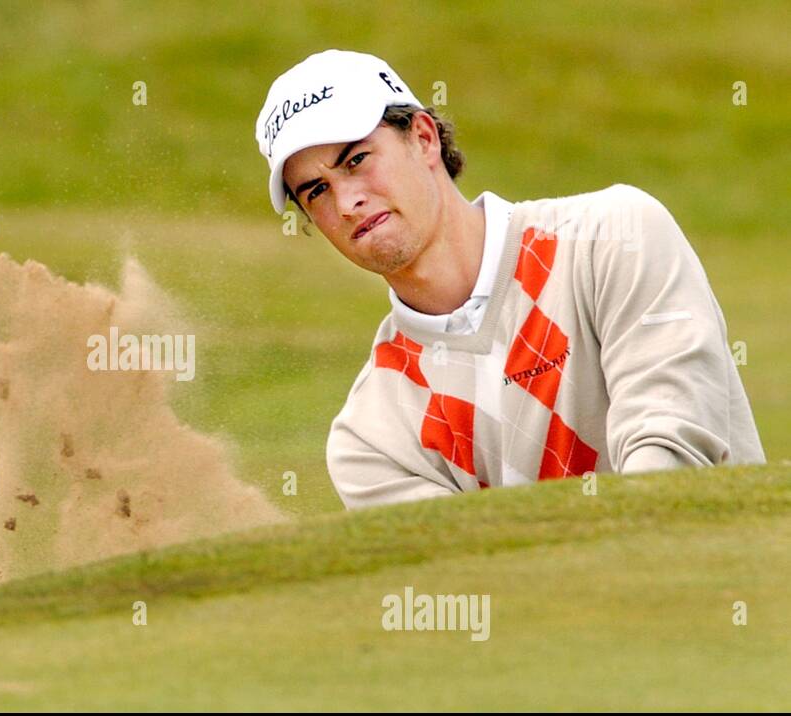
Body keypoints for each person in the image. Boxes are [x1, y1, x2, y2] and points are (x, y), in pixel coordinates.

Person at [255, 50, 765, 509]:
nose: (346, 204)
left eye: (357, 160)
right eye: (316, 191)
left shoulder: (615, 236)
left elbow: (671, 460)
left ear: (424, 139)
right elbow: (473, 584)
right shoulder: (371, 438)